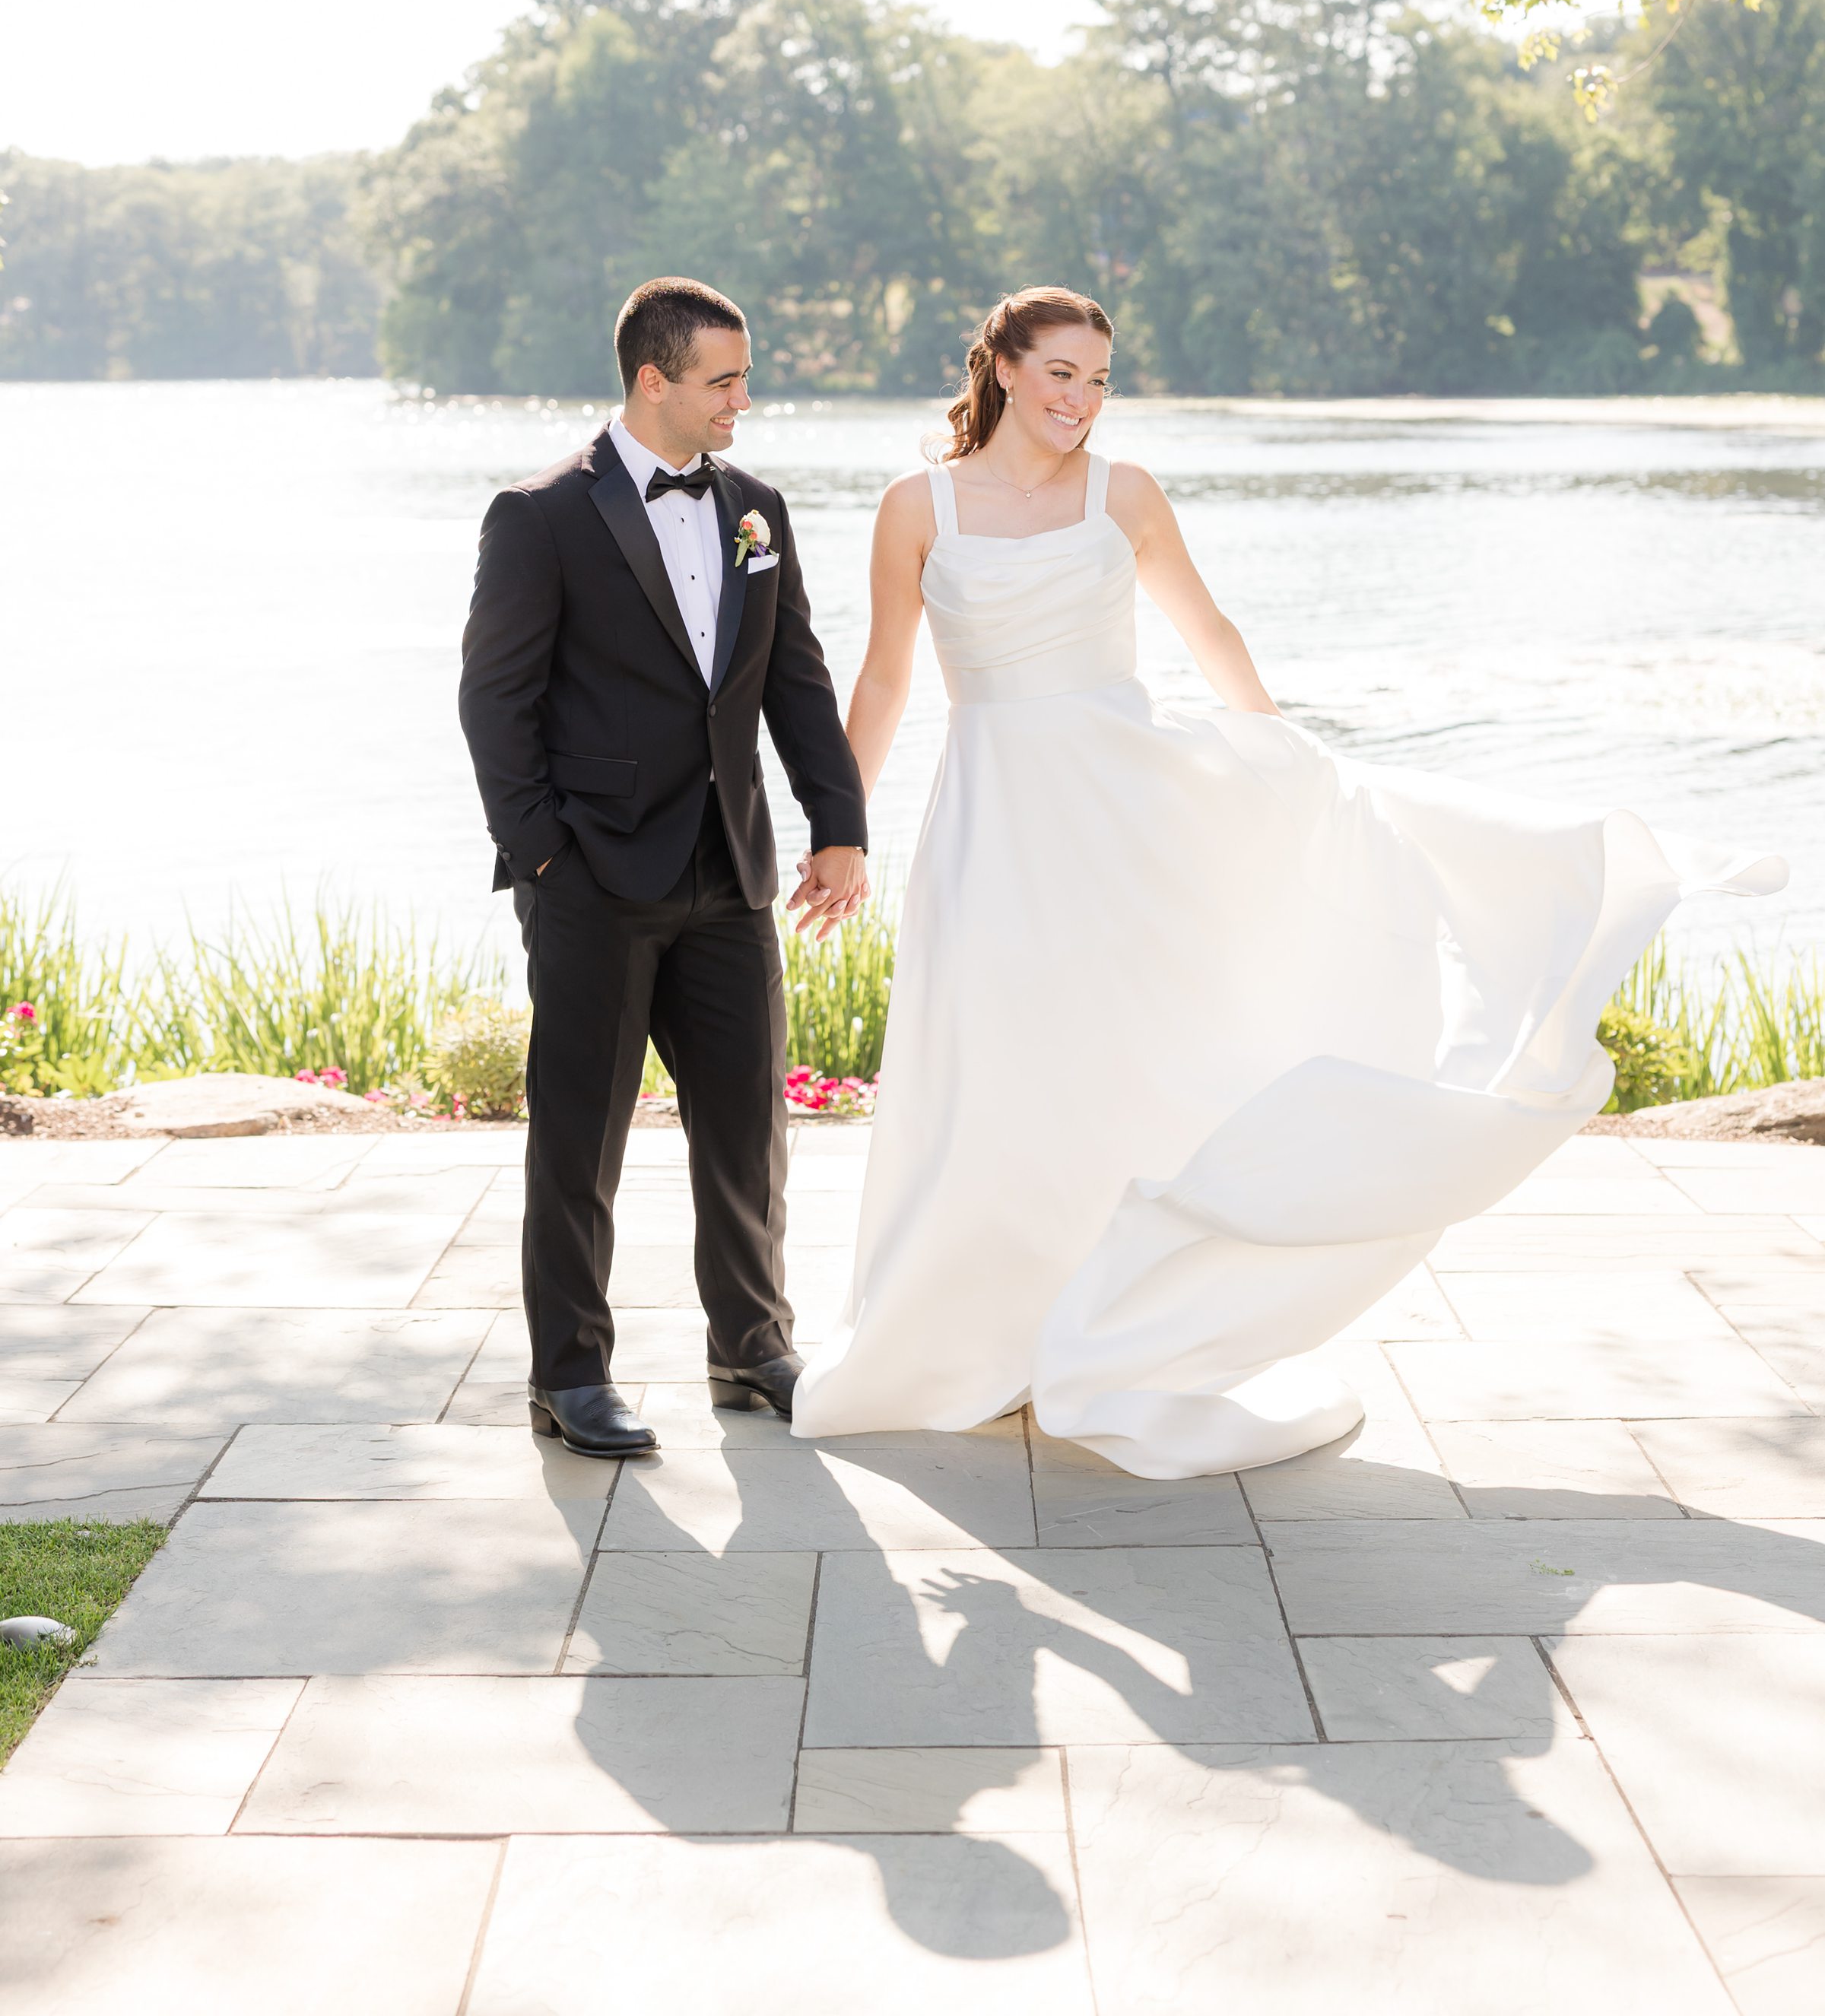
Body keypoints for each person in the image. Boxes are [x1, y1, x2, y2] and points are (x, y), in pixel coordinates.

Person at [791, 286, 1785, 1477]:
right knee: (988, 1055)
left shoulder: (1128, 493)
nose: (1081, 401)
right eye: (1060, 374)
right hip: (990, 820)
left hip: (1130, 814)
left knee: (1125, 1054)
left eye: (1101, 380)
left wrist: (1281, 753)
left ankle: (1118, 1317)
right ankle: (972, 1326)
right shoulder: (918, 508)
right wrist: (839, 826)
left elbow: (1207, 632)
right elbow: (888, 681)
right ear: (1002, 369)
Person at [459, 278, 867, 1456]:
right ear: (655, 380)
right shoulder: (540, 515)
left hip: (728, 870)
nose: (746, 399)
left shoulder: (756, 508)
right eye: (725, 380)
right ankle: (569, 1374)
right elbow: (496, 700)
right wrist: (542, 855)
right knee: (580, 1136)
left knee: (747, 1126)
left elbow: (797, 678)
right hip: (591, 876)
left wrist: (834, 823)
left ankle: (752, 1349)